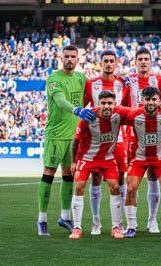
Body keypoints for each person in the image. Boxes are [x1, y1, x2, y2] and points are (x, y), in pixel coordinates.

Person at [37, 45, 94, 236]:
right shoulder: (54, 79)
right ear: (61, 58)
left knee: (70, 175)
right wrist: (78, 110)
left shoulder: (81, 78)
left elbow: (96, 89)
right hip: (55, 135)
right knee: (49, 174)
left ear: (78, 59)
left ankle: (64, 217)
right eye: (66, 56)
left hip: (74, 136)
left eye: (73, 56)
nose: (70, 59)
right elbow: (60, 100)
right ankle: (42, 219)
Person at [69, 90, 129, 240]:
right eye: (103, 103)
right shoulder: (87, 118)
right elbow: (75, 142)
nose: (107, 106)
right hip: (87, 157)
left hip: (107, 158)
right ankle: (77, 228)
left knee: (115, 186)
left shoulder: (119, 114)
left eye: (110, 103)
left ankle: (116, 227)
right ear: (98, 104)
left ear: (114, 104)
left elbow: (136, 113)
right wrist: (73, 161)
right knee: (79, 186)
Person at [124, 48, 161, 233]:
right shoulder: (128, 81)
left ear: (151, 61)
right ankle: (128, 224)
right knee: (130, 183)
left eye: (146, 59)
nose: (143, 62)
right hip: (134, 137)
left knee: (154, 177)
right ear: (135, 61)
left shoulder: (159, 80)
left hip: (156, 135)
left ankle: (153, 221)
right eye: (140, 59)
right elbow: (122, 103)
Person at [84, 50, 129, 235]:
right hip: (96, 141)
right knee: (96, 178)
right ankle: (96, 222)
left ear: (116, 63)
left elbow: (126, 110)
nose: (109, 64)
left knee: (119, 179)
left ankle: (119, 223)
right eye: (106, 61)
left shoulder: (122, 84)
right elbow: (83, 108)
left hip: (118, 140)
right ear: (100, 63)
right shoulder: (91, 85)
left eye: (112, 61)